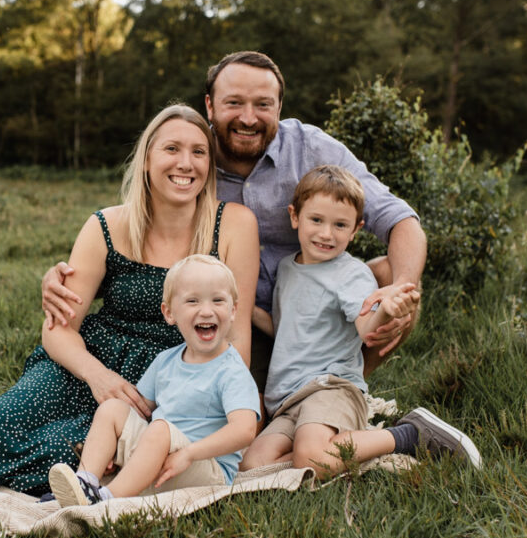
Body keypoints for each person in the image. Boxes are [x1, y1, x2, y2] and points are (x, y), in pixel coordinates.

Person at [0, 104, 260, 497]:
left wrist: (187, 404)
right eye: (172, 148)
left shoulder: (234, 225)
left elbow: (237, 343)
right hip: (89, 358)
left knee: (66, 448)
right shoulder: (106, 225)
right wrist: (98, 376)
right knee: (10, 415)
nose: (186, 163)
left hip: (167, 379)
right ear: (147, 158)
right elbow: (59, 328)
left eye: (199, 152)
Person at [41, 51, 427, 411]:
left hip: (314, 307)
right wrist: (64, 274)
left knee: (391, 278)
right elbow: (140, 225)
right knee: (250, 415)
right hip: (240, 319)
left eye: (262, 104)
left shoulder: (311, 150)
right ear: (209, 105)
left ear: (278, 107)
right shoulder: (192, 155)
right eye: (234, 103)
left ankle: (342, 393)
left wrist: (403, 290)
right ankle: (283, 404)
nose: (248, 117)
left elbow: (401, 220)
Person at [239, 166, 480, 476]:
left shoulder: (350, 274)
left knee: (312, 459)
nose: (326, 234)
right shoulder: (287, 267)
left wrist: (386, 310)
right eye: (316, 220)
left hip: (330, 388)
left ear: (355, 230)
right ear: (295, 216)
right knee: (252, 466)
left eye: (340, 225)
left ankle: (409, 435)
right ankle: (331, 452)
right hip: (286, 401)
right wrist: (243, 308)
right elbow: (284, 329)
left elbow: (367, 328)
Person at [48, 255, 260, 506]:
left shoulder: (231, 371)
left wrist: (190, 453)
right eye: (192, 301)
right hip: (163, 455)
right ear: (169, 313)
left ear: (233, 310)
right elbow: (141, 409)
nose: (206, 310)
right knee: (113, 409)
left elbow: (245, 430)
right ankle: (86, 482)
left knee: (160, 429)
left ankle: (106, 499)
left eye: (218, 300)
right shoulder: (166, 360)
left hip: (205, 468)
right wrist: (114, 444)